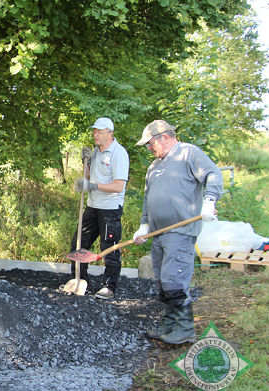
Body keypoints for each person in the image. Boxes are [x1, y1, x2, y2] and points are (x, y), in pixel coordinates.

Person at [133, 120, 222, 345]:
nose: (148, 148)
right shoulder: (154, 166)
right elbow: (148, 199)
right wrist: (144, 225)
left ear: (165, 137)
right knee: (163, 281)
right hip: (157, 233)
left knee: (174, 279)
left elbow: (213, 174)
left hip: (180, 231)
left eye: (150, 143)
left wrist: (210, 201)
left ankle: (185, 329)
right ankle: (169, 324)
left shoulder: (188, 153)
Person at [71, 117, 130, 300]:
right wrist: (86, 162)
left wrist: (93, 186)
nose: (95, 134)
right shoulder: (96, 151)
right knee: (79, 242)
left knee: (109, 248)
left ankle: (109, 286)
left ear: (109, 133)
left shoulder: (118, 154)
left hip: (110, 208)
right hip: (92, 205)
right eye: (94, 131)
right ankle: (80, 280)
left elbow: (118, 186)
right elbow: (88, 176)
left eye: (99, 131)